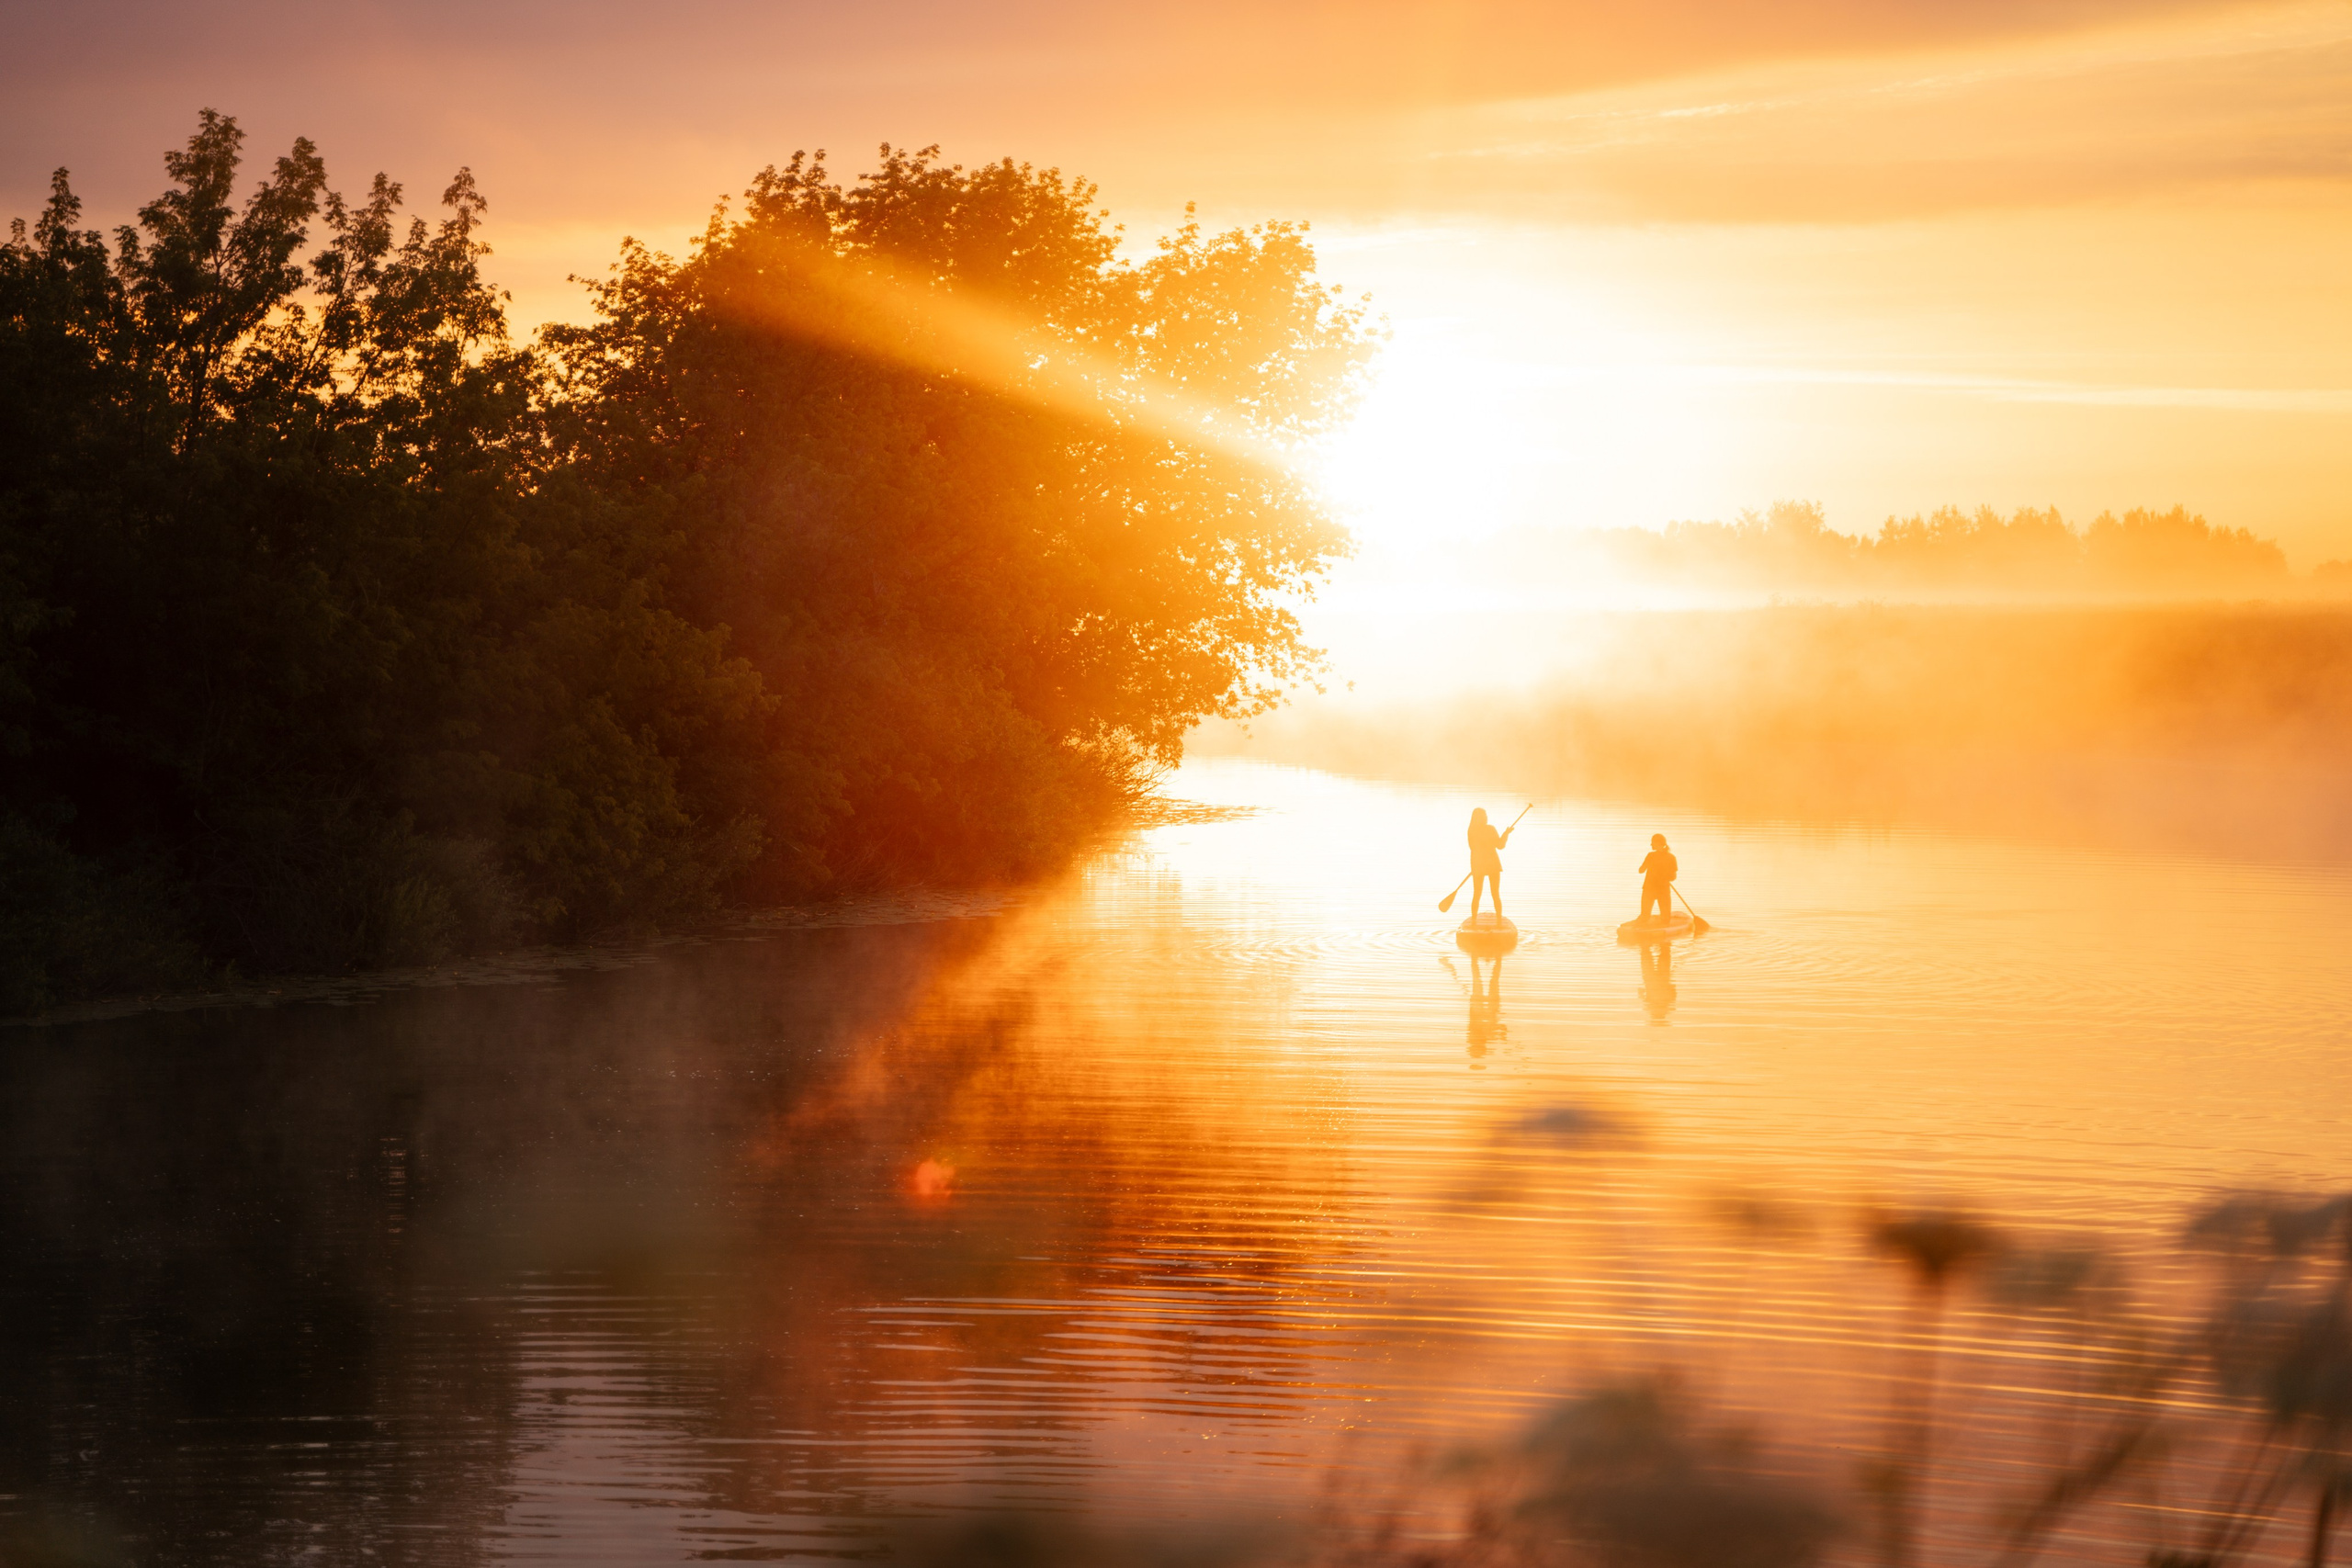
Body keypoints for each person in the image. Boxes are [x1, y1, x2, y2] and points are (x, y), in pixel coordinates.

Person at [1466, 807, 1516, 921]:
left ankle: (1474, 920)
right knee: (1494, 894)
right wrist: (1506, 834)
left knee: (1478, 894)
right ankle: (1498, 919)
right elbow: (1500, 845)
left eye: (1486, 815)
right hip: (1488, 865)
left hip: (1480, 866)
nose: (1486, 818)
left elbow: (1475, 848)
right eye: (1484, 816)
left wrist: (1505, 833)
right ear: (1478, 818)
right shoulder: (1489, 829)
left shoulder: (1471, 831)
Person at [1637, 833, 1678, 922]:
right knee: (1665, 918)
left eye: (1652, 842)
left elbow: (1640, 870)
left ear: (1658, 843)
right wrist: (1665, 877)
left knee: (1645, 915)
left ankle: (1643, 926)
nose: (1651, 845)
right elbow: (1673, 877)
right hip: (1660, 889)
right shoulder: (1671, 857)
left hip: (1653, 889)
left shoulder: (1651, 856)